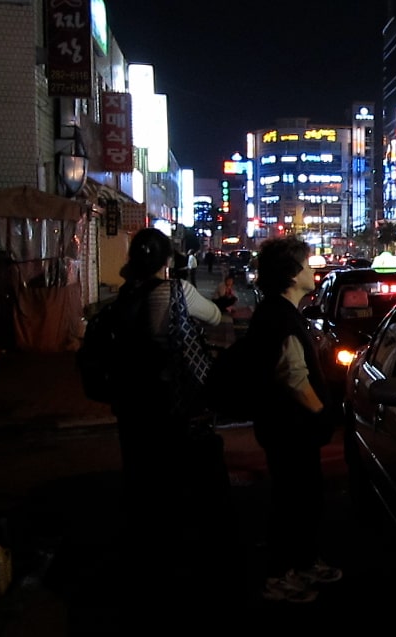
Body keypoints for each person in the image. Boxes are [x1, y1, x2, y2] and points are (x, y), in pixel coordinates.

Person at [110, 228, 227, 584]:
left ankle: (140, 536)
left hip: (129, 396)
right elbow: (215, 318)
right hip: (167, 394)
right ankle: (172, 544)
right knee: (172, 464)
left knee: (137, 464)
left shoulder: (123, 295)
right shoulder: (177, 291)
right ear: (166, 260)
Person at [246, 236, 342, 603]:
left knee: (303, 499)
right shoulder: (279, 316)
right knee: (292, 502)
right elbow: (294, 377)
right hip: (290, 428)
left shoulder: (279, 312)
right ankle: (279, 574)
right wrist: (322, 411)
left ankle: (303, 562)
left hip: (287, 428)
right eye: (305, 263)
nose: (312, 268)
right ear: (290, 274)